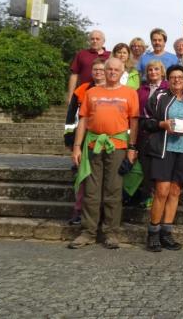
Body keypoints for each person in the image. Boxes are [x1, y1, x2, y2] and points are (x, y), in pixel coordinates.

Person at [68, 57, 139, 249]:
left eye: (117, 70)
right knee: (91, 191)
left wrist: (132, 148)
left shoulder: (130, 93)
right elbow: (82, 120)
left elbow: (134, 122)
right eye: (109, 69)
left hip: (117, 146)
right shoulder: (91, 92)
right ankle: (88, 232)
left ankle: (111, 233)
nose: (112, 72)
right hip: (93, 145)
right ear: (104, 71)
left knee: (113, 190)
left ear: (122, 72)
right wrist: (76, 146)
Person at [142, 65, 183, 251]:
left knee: (175, 191)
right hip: (163, 148)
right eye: (173, 77)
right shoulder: (159, 97)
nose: (177, 80)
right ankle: (153, 232)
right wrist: (162, 124)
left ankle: (166, 233)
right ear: (167, 79)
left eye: (180, 77)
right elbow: (146, 122)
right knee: (162, 190)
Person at [63, 57, 106, 225]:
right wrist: (69, 137)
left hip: (104, 139)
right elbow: (71, 114)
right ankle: (79, 210)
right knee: (83, 176)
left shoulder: (114, 90)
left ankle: (99, 213)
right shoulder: (81, 89)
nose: (98, 73)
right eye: (95, 70)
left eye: (101, 70)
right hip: (83, 137)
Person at [135, 60, 169, 209]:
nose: (153, 72)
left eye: (156, 69)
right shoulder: (141, 90)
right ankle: (147, 195)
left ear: (162, 71)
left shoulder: (168, 88)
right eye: (150, 70)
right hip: (145, 133)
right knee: (146, 166)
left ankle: (160, 196)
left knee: (161, 167)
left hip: (164, 133)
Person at [66, 30, 110, 104]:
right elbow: (74, 75)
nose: (94, 41)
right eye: (92, 39)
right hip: (84, 94)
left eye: (97, 39)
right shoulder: (81, 54)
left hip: (106, 95)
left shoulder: (110, 56)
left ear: (103, 41)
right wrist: (70, 96)